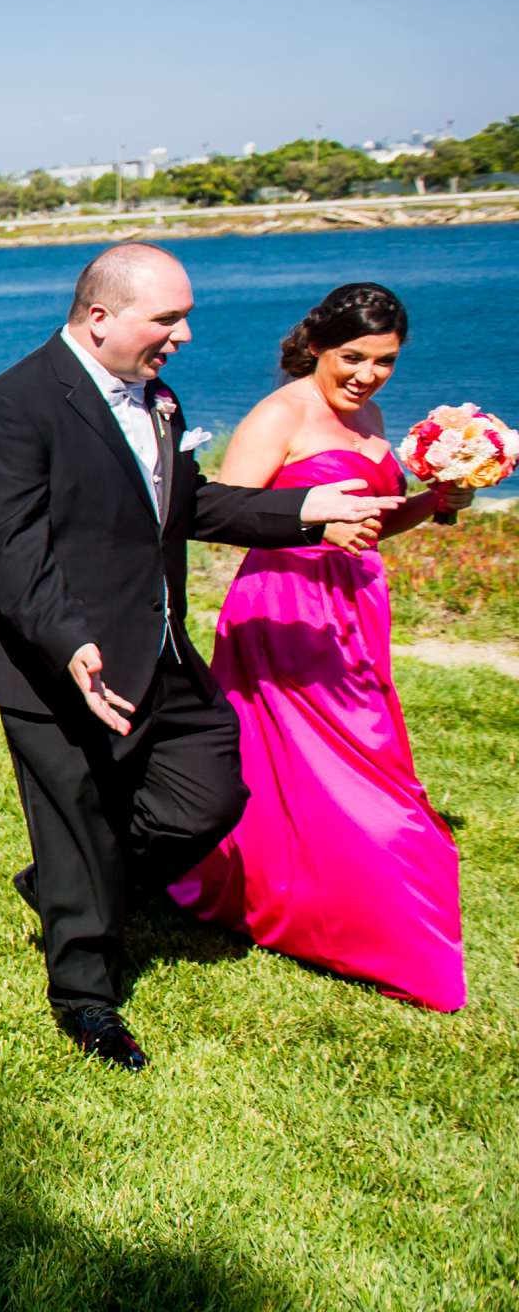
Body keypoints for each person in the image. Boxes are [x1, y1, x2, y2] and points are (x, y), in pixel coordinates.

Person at [0, 243, 403, 1071]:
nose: (187, 334)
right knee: (79, 819)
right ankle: (89, 1000)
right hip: (61, 663)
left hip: (160, 647)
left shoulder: (156, 396)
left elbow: (187, 502)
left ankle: (75, 887)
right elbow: (14, 553)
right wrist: (70, 643)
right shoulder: (13, 406)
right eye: (169, 318)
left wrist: (306, 509)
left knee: (212, 793)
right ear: (101, 319)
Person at [169, 284, 468, 1010]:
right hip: (286, 607)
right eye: (352, 357)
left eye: (385, 362)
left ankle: (307, 894)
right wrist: (312, 526)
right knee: (333, 765)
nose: (367, 375)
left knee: (343, 760)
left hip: (356, 603)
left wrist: (437, 501)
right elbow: (218, 514)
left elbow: (374, 521)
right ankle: (387, 928)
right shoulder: (281, 414)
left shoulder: (369, 415)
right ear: (317, 346)